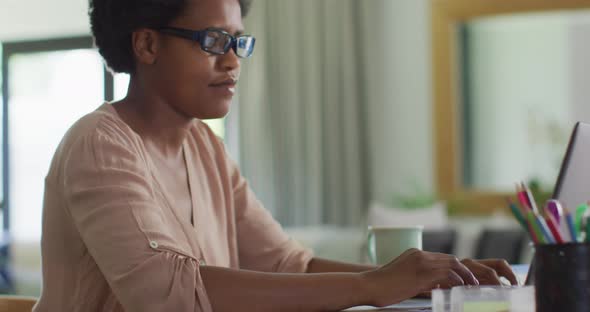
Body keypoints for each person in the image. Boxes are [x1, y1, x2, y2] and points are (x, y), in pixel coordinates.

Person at [33, 0, 518, 311]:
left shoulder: (205, 148)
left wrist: (426, 279)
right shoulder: (101, 145)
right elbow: (172, 296)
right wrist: (373, 285)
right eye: (214, 42)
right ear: (147, 44)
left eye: (237, 43)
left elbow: (287, 264)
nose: (232, 61)